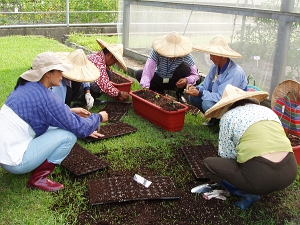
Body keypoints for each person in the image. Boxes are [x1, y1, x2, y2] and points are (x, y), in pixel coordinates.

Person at [0, 52, 108, 192]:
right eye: (59, 70)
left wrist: (71, 111)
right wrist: (98, 117)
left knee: (55, 128)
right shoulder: (46, 97)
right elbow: (79, 128)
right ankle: (38, 178)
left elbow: (50, 113)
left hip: (5, 152)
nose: (62, 74)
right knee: (68, 136)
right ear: (47, 74)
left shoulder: (27, 87)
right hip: (14, 161)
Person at [202, 84, 298, 210]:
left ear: (227, 106)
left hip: (260, 177)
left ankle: (247, 194)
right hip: (290, 171)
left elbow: (227, 155)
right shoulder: (268, 111)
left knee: (208, 165)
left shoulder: (228, 117)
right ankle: (265, 184)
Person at [185, 35, 248, 126]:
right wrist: (195, 89)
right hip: (219, 99)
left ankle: (223, 122)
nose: (210, 58)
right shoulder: (215, 67)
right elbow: (205, 85)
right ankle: (215, 119)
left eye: (213, 55)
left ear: (222, 55)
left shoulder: (234, 72)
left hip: (232, 104)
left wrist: (200, 93)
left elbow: (222, 98)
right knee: (193, 97)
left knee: (206, 104)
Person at [135, 31, 199, 103]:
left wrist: (186, 80)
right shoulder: (157, 51)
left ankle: (179, 94)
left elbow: (195, 75)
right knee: (139, 73)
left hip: (174, 82)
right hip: (160, 78)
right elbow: (149, 68)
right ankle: (157, 91)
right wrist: (145, 86)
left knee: (185, 68)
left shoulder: (186, 55)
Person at [76, 38, 130, 103]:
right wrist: (119, 93)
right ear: (108, 55)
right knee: (96, 84)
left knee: (108, 74)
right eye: (114, 61)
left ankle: (92, 99)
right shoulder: (99, 62)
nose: (113, 64)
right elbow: (104, 84)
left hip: (81, 82)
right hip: (79, 85)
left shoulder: (97, 57)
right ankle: (81, 101)